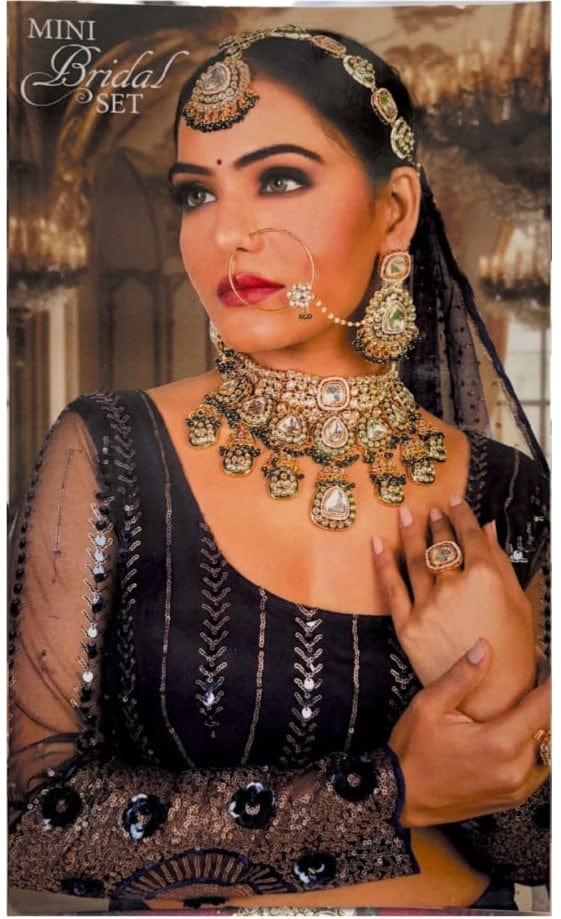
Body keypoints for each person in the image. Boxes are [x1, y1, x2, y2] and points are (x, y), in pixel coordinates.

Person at [8, 25, 551, 912]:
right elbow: (29, 822)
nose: (226, 233)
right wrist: (386, 793)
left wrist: (496, 684)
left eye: (280, 178)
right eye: (197, 193)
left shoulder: (506, 491)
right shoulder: (109, 451)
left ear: (394, 210)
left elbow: (534, 846)